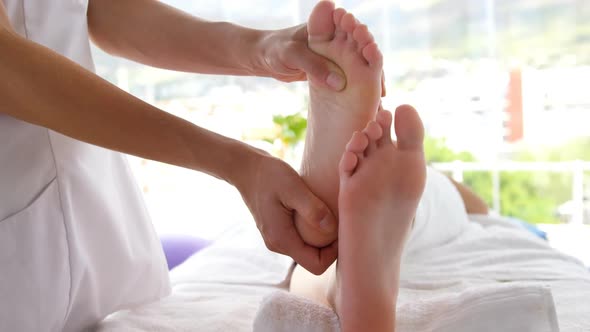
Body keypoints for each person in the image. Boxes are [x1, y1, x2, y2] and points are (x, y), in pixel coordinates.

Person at [0, 0, 346, 330]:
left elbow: (91, 8)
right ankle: (358, 278)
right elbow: (7, 66)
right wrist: (239, 164)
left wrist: (261, 48)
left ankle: (353, 274)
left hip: (88, 230)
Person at [288, 2, 490, 331]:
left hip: (393, 192)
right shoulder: (421, 174)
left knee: (307, 260)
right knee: (430, 205)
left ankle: (326, 253)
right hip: (434, 196)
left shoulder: (395, 167)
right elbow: (480, 209)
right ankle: (340, 268)